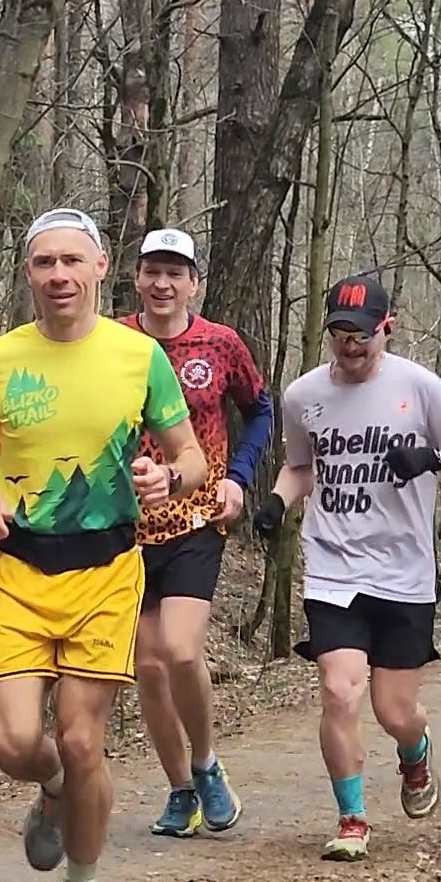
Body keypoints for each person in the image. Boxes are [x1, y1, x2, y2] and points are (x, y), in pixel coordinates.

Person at [0, 207, 206, 882]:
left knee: (84, 738)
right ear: (28, 273)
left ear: (99, 267)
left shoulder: (138, 357)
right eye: (43, 263)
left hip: (106, 571)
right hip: (19, 571)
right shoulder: (1, 358)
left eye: (71, 261)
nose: (58, 275)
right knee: (13, 745)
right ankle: (55, 788)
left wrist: (168, 479)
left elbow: (189, 456)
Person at [251, 273, 441, 863]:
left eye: (362, 335)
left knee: (394, 712)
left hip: (404, 570)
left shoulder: (418, 386)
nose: (351, 347)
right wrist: (278, 500)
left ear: (387, 329)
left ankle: (415, 751)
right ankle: (351, 818)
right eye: (340, 334)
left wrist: (431, 458)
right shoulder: (303, 394)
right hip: (334, 564)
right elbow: (300, 465)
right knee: (338, 690)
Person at [120, 228, 273, 838]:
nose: (163, 284)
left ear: (194, 284)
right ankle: (180, 788)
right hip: (125, 529)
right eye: (152, 271)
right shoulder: (114, 342)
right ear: (136, 278)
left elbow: (260, 409)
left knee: (181, 651)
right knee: (148, 668)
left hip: (196, 518)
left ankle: (206, 763)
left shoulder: (221, 343)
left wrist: (238, 477)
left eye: (175, 274)